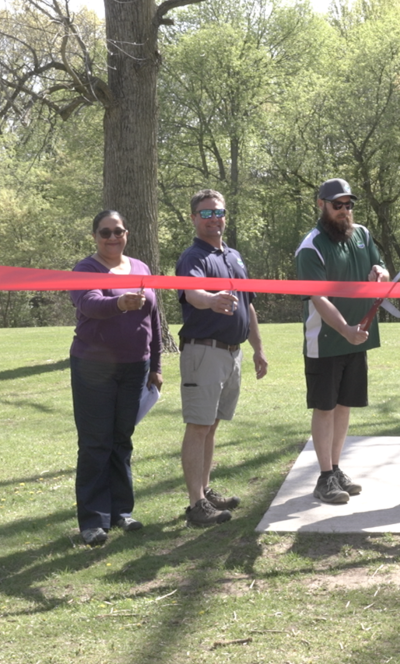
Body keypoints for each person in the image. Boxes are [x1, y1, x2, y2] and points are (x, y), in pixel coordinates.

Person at [68, 210, 163, 546]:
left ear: (127, 233)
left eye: (118, 232)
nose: (112, 238)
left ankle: (122, 511)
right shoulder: (85, 269)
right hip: (92, 368)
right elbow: (90, 303)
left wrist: (156, 365)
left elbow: (152, 318)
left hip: (135, 366)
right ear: (95, 236)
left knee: (122, 439)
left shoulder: (141, 268)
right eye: (105, 233)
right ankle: (93, 520)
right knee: (96, 442)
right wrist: (119, 303)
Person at [175, 189, 269, 527]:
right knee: (199, 425)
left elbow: (249, 304)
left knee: (211, 426)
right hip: (204, 351)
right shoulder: (193, 257)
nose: (213, 219)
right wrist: (211, 299)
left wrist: (258, 348)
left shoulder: (234, 256)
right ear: (194, 218)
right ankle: (195, 504)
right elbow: (192, 293)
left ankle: (205, 490)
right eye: (206, 213)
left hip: (232, 353)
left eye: (218, 213)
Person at [295, 178, 389, 505]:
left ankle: (335, 469)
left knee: (344, 405)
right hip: (326, 341)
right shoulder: (311, 246)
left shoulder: (361, 234)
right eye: (338, 205)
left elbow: (380, 268)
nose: (345, 211)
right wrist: (345, 329)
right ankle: (323, 477)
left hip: (357, 336)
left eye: (349, 205)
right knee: (325, 407)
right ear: (321, 205)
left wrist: (380, 272)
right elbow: (318, 298)